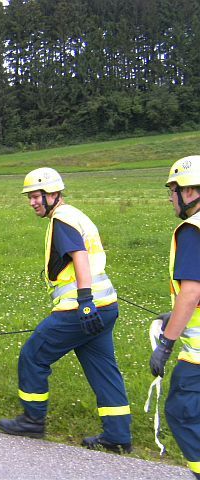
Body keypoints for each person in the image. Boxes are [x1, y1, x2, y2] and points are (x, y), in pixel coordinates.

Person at [0, 167, 132, 453]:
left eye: (36, 196)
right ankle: (118, 436)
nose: (32, 202)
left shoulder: (62, 219)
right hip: (106, 307)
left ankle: (32, 420)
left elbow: (80, 258)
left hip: (79, 309)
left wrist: (84, 302)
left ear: (53, 194)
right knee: (103, 370)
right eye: (30, 197)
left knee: (33, 356)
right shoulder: (76, 214)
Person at [150, 156, 200, 479]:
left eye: (173, 190)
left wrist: (166, 343)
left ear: (192, 190)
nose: (171, 197)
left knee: (181, 411)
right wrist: (178, 313)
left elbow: (192, 292)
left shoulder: (192, 231)